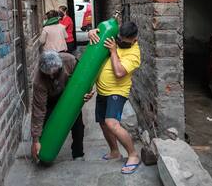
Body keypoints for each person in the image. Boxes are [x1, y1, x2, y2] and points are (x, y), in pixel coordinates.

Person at [88, 21, 141, 174]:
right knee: (103, 123)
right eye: (119, 39)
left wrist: (113, 51)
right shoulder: (117, 37)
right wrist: (92, 32)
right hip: (102, 91)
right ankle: (114, 152)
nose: (120, 43)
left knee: (111, 123)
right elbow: (100, 31)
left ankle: (133, 155)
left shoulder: (134, 54)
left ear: (134, 39)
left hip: (117, 92)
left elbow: (118, 73)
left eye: (124, 42)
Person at [31, 50, 94, 162]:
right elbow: (38, 111)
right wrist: (35, 140)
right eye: (48, 74)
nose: (51, 76)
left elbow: (85, 76)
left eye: (54, 73)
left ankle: (78, 153)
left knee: (77, 125)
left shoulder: (69, 61)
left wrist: (88, 91)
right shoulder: (39, 81)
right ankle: (42, 151)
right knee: (46, 123)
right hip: (49, 99)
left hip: (69, 96)